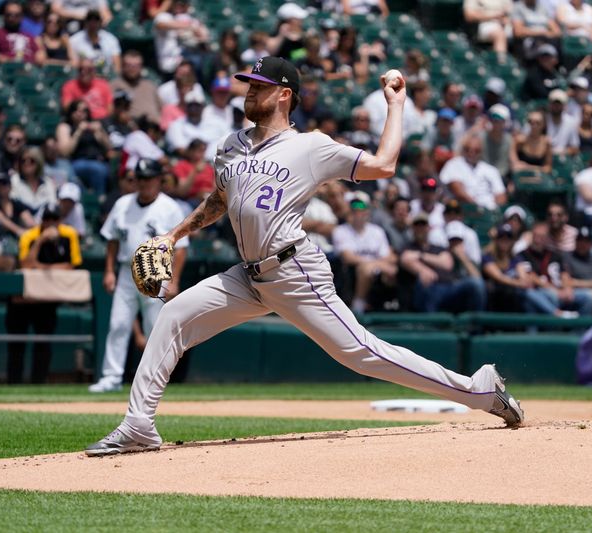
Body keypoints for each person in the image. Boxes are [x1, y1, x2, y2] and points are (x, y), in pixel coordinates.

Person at [85, 58, 524, 455]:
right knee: (175, 314)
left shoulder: (312, 147)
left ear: (284, 94)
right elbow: (220, 200)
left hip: (295, 271)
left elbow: (385, 164)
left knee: (362, 354)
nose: (248, 92)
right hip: (247, 277)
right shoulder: (231, 145)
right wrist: (174, 233)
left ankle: (478, 391)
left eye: (258, 86)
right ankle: (139, 423)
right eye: (247, 85)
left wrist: (395, 104)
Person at [89, 159, 189, 393]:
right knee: (118, 324)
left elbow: (182, 248)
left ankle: (155, 380)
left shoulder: (169, 207)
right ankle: (111, 378)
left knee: (156, 327)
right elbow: (112, 240)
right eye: (140, 179)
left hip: (157, 270)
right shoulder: (123, 204)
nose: (143, 183)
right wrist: (109, 271)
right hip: (126, 271)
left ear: (158, 180)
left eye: (148, 178)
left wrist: (174, 280)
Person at [7, 206, 81, 384]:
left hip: (48, 298)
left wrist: (42, 268)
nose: (50, 223)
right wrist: (40, 240)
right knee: (17, 344)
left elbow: (72, 265)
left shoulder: (68, 234)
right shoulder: (29, 236)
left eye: (54, 219)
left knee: (44, 343)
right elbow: (25, 264)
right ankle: (14, 384)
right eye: (47, 219)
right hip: (24, 300)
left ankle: (38, 383)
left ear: (59, 220)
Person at [399, 212, 485, 312]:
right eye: (417, 225)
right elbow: (405, 259)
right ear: (412, 228)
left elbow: (447, 263)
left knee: (476, 283)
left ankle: (474, 325)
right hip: (429, 289)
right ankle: (429, 325)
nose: (420, 229)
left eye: (423, 225)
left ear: (429, 228)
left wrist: (419, 256)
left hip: (450, 286)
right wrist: (423, 270)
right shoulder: (408, 246)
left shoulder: (437, 247)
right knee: (425, 282)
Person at [332, 194, 397, 314]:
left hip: (379, 270)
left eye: (362, 211)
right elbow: (348, 257)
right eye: (355, 211)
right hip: (351, 273)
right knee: (366, 269)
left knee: (392, 270)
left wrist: (375, 265)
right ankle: (358, 306)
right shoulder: (341, 231)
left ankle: (395, 308)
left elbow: (387, 257)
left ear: (367, 212)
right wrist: (374, 264)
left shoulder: (377, 231)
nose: (358, 214)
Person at [516, 222, 592, 317]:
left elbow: (564, 274)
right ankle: (558, 315)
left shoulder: (554, 254)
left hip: (559, 290)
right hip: (540, 291)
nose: (538, 240)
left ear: (547, 238)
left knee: (588, 296)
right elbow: (531, 276)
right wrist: (554, 290)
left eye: (542, 237)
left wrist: (567, 289)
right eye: (536, 236)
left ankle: (580, 330)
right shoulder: (523, 254)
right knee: (542, 296)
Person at [439, 132, 507, 210]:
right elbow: (458, 191)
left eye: (476, 150)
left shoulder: (491, 170)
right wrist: (478, 208)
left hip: (489, 211)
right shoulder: (454, 164)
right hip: (463, 209)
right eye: (468, 149)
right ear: (463, 150)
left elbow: (501, 195)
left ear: (481, 151)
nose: (472, 153)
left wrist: (495, 211)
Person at [56, 99, 112, 193]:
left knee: (101, 169)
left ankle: (99, 199)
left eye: (84, 111)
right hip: (76, 162)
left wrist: (100, 132)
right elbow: (65, 152)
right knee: (97, 169)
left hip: (97, 160)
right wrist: (78, 132)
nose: (80, 114)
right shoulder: (65, 127)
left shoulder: (93, 127)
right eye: (77, 110)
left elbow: (109, 147)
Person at [165, 91, 231, 160]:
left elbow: (230, 143)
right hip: (188, 163)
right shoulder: (175, 125)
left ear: (203, 107)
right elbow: (180, 149)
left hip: (217, 163)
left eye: (197, 106)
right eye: (191, 106)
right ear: (185, 107)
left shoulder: (218, 122)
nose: (194, 109)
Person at [153, 0, 210, 75]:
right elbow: (160, 25)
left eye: (182, 4)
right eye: (177, 3)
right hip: (169, 63)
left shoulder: (190, 19)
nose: (179, 7)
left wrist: (198, 34)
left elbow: (204, 38)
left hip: (188, 59)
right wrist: (188, 26)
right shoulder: (164, 16)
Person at [0, 1, 45, 65]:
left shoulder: (29, 36)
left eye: (16, 15)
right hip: (6, 68)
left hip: (29, 69)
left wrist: (41, 53)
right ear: (3, 16)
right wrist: (4, 59)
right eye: (9, 15)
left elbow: (40, 55)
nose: (12, 18)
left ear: (22, 17)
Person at [111, 50, 161, 123]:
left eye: (136, 66)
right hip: (130, 128)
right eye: (129, 65)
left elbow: (162, 108)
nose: (133, 69)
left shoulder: (150, 85)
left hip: (156, 128)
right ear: (122, 66)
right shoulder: (114, 86)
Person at [68, 9, 121, 74]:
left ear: (101, 22)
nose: (93, 23)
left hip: (105, 77)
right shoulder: (74, 40)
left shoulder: (111, 39)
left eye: (96, 20)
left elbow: (117, 65)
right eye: (90, 20)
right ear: (85, 22)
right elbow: (74, 64)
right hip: (84, 76)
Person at [10, 146, 58, 215]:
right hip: (21, 222)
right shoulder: (14, 180)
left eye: (31, 161)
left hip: (45, 221)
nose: (27, 163)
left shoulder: (47, 182)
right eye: (23, 161)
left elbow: (53, 203)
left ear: (38, 163)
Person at [510, 109, 553, 174]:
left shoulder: (547, 143)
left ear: (543, 124)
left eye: (537, 123)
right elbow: (515, 166)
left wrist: (528, 167)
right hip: (522, 177)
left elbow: (548, 168)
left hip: (539, 179)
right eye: (531, 122)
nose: (534, 126)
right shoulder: (519, 141)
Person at [545, 89, 580, 156]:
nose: (556, 106)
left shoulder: (571, 122)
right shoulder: (543, 119)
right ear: (549, 104)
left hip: (563, 158)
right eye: (554, 103)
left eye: (559, 104)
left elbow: (575, 147)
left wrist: (560, 152)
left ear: (564, 105)